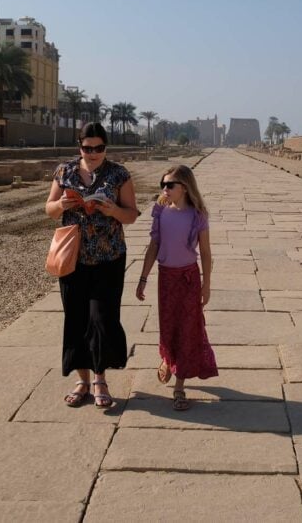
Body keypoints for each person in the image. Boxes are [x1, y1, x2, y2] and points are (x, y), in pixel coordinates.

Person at [45, 122, 138, 408]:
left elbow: (132, 214)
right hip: (73, 257)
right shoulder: (65, 171)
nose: (94, 153)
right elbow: (48, 210)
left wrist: (113, 210)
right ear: (80, 147)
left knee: (101, 318)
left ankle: (100, 379)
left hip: (108, 257)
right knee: (76, 319)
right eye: (88, 148)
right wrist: (62, 204)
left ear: (105, 148)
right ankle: (83, 380)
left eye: (99, 148)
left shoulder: (119, 173)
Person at [135, 164, 217, 411]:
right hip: (166, 277)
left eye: (170, 185)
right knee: (168, 326)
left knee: (188, 329)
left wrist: (207, 285)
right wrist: (142, 278)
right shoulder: (161, 211)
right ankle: (168, 359)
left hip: (189, 279)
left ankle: (179, 386)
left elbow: (205, 252)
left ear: (185, 187)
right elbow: (153, 246)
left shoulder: (197, 215)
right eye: (163, 184)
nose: (165, 189)